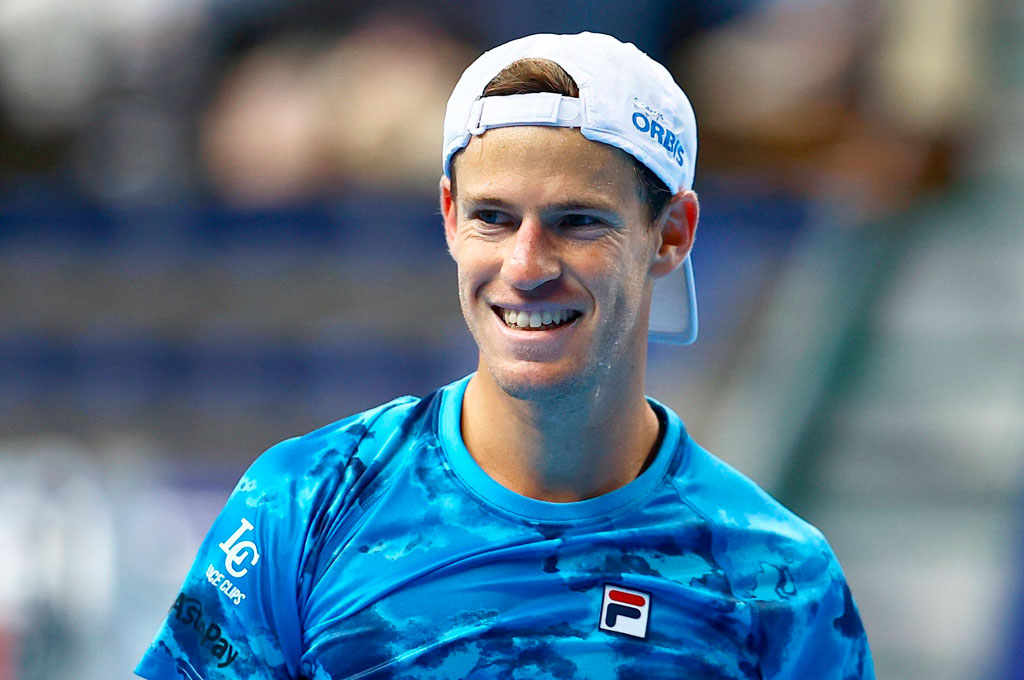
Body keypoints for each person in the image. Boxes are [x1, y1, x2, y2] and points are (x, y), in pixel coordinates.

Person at [136, 32, 874, 679]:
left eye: (577, 222)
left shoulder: (782, 582)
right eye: (493, 217)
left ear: (672, 234)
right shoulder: (302, 502)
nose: (525, 266)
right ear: (449, 217)